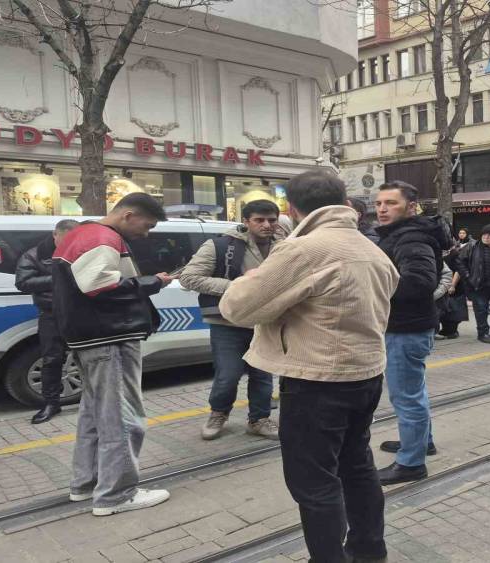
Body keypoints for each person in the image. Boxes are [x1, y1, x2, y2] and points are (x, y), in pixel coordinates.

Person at [220, 171, 398, 563]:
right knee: (357, 466)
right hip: (366, 373)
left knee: (314, 483)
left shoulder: (303, 250)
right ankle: (370, 551)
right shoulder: (371, 248)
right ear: (343, 202)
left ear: (291, 207)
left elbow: (237, 308)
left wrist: (250, 278)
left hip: (316, 380)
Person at [51, 193, 175, 516]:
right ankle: (116, 494)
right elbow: (98, 286)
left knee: (95, 415)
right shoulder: (103, 237)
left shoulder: (80, 234)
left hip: (88, 338)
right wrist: (151, 282)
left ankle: (86, 483)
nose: (146, 234)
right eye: (147, 226)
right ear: (128, 215)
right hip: (110, 336)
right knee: (122, 415)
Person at [180, 200, 286, 441]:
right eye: (259, 220)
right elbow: (189, 277)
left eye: (272, 220)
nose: (267, 225)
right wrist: (239, 285)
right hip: (227, 322)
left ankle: (259, 419)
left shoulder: (285, 248)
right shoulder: (219, 245)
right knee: (228, 374)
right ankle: (218, 414)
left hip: (266, 322)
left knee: (263, 376)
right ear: (246, 221)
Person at [374, 181, 447, 484]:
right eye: (379, 203)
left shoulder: (411, 237)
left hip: (406, 329)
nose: (382, 209)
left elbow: (419, 283)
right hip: (409, 326)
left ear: (411, 206)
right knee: (413, 391)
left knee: (406, 397)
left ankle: (411, 463)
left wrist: (372, 287)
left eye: (390, 203)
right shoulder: (403, 234)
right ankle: (420, 441)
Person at [15, 219, 79, 424]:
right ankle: (51, 403)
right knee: (51, 359)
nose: (69, 244)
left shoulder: (83, 250)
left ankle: (94, 399)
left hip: (81, 312)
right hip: (52, 313)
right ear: (55, 235)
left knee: (89, 355)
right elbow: (23, 282)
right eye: (65, 240)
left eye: (73, 240)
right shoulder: (35, 255)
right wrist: (58, 279)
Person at [458, 224, 490, 344]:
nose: (486, 237)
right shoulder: (472, 246)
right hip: (479, 285)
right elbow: (460, 261)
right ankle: (483, 333)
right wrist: (468, 276)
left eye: (489, 235)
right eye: (484, 234)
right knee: (481, 310)